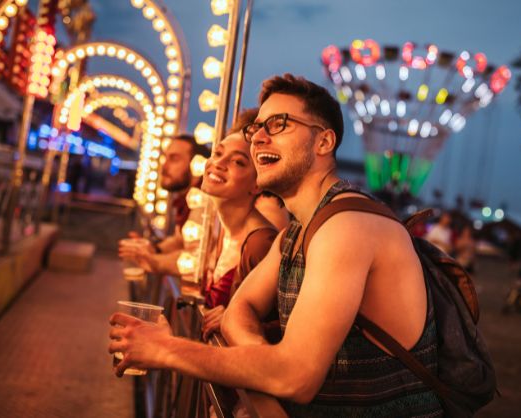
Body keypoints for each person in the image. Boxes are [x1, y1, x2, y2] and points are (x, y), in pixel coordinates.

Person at [109, 74, 442, 416]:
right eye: (256, 128)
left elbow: (295, 377)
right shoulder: (295, 233)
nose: (259, 138)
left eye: (279, 124)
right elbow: (239, 310)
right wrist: (262, 360)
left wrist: (166, 350)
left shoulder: (348, 226)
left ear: (324, 142)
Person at [199, 108, 279, 339]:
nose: (218, 164)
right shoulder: (222, 230)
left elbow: (286, 324)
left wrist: (236, 319)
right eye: (217, 152)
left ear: (257, 184)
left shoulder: (261, 244)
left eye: (238, 162)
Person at [119, 133, 210, 275]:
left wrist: (152, 260)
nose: (164, 166)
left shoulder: (205, 201)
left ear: (197, 163)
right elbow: (180, 240)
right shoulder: (187, 198)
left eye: (174, 159)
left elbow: (197, 257)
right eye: (165, 157)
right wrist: (153, 248)